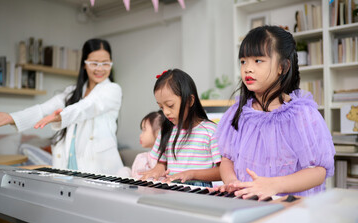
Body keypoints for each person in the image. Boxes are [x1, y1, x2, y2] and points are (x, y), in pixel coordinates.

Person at [214, 25, 335, 200]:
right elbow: (227, 160)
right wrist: (233, 182)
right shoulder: (238, 112)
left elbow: (318, 172)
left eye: (258, 61)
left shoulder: (302, 114)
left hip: (289, 209)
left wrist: (274, 185)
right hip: (247, 203)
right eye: (243, 61)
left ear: (283, 67)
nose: (247, 68)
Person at [0, 38, 126, 176]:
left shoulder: (113, 90)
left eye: (105, 63)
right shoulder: (71, 92)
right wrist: (12, 118)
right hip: (70, 166)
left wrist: (61, 116)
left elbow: (87, 107)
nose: (100, 68)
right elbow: (43, 109)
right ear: (84, 64)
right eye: (94, 63)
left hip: (101, 169)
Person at [140, 69, 221, 187]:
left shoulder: (210, 131)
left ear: (190, 100)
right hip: (172, 189)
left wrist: (191, 174)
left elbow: (222, 172)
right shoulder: (166, 130)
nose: (166, 112)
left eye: (170, 105)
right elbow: (162, 163)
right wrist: (157, 170)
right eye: (162, 107)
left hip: (200, 193)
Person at [131, 110, 164, 179]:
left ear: (159, 132)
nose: (140, 135)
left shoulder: (169, 159)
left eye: (144, 130)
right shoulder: (142, 158)